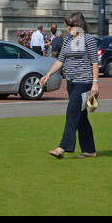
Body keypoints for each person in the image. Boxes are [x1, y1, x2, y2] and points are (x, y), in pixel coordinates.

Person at [41, 12, 100, 158]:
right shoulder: (67, 41)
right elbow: (60, 61)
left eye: (71, 25)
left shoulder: (89, 40)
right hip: (71, 82)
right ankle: (90, 150)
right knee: (81, 116)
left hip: (84, 82)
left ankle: (62, 147)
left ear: (79, 25)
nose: (68, 28)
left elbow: (94, 63)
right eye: (67, 25)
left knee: (72, 112)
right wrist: (48, 75)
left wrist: (95, 83)